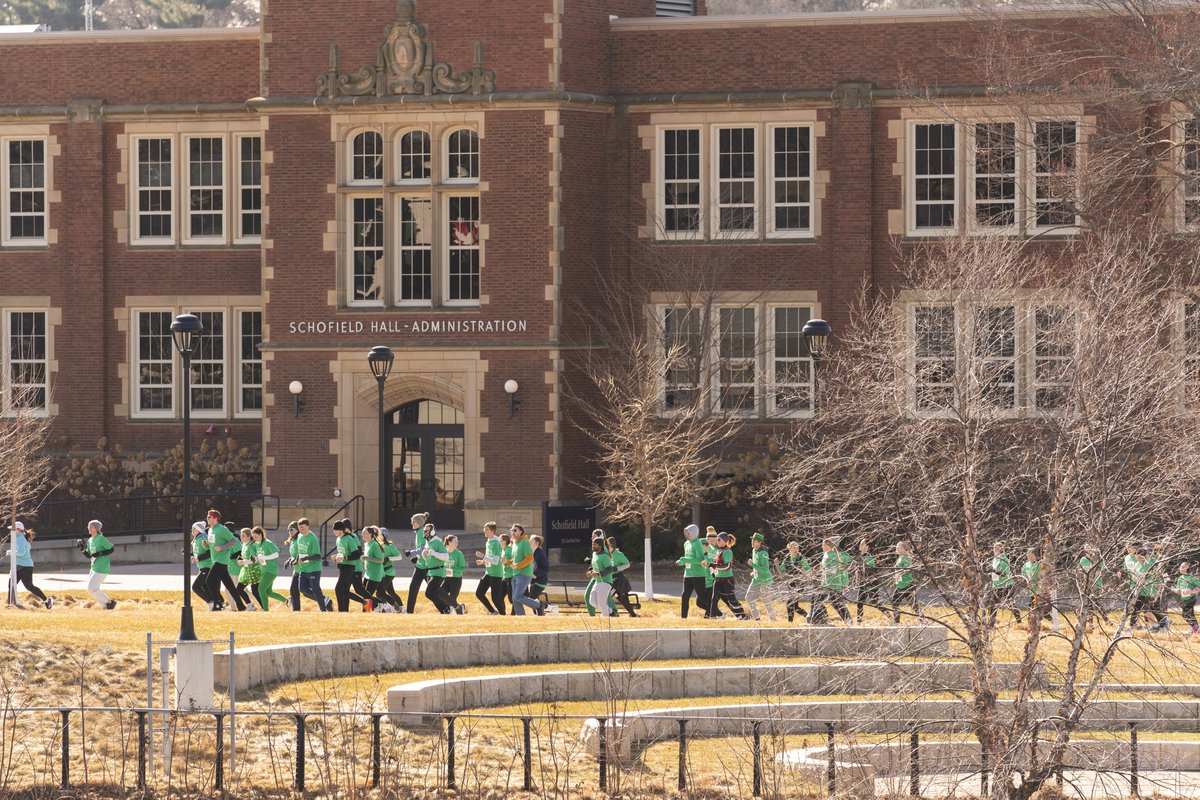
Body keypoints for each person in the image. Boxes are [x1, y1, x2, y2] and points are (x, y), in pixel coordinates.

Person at [204, 510, 246, 611]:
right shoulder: (210, 529)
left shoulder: (222, 529)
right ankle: (241, 606)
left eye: (210, 517)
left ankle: (218, 603)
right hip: (216, 560)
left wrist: (222, 547)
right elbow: (212, 545)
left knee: (209, 581)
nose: (207, 519)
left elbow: (234, 541)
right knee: (230, 586)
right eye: (207, 517)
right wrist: (206, 545)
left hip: (221, 560)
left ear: (216, 519)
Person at [705, 532, 749, 620]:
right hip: (718, 579)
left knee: (731, 599)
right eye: (717, 539)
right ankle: (712, 616)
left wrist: (714, 566)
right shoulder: (718, 551)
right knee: (714, 598)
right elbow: (717, 564)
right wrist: (710, 565)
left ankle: (742, 616)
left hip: (727, 580)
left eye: (719, 540)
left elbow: (727, 566)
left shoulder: (728, 551)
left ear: (725, 541)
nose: (717, 541)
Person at [506, 524, 545, 616]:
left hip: (524, 574)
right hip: (516, 574)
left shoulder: (524, 542)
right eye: (511, 530)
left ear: (520, 532)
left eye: (515, 530)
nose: (512, 532)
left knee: (517, 596)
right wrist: (507, 562)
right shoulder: (515, 544)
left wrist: (518, 566)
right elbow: (515, 560)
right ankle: (521, 616)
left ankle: (539, 606)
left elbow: (529, 558)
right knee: (515, 598)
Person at [9, 522, 51, 609]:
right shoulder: (18, 537)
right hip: (19, 565)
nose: (11, 531)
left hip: (25, 566)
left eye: (13, 529)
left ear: (19, 530)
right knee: (11, 584)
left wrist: (11, 552)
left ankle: (47, 600)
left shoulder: (19, 538)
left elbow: (21, 552)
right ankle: (10, 604)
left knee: (29, 586)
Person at [294, 517, 332, 611]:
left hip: (314, 569)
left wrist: (305, 558)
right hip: (304, 568)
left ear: (308, 526)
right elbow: (300, 551)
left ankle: (323, 609)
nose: (301, 530)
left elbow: (318, 556)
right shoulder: (299, 536)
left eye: (303, 527)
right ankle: (324, 599)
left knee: (315, 589)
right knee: (303, 589)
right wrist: (296, 559)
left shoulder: (313, 538)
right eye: (299, 528)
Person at [77, 519, 116, 609]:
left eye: (91, 526)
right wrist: (82, 549)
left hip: (102, 568)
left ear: (96, 528)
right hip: (94, 567)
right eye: (88, 526)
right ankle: (106, 608)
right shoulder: (90, 540)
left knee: (90, 589)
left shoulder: (101, 539)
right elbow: (89, 555)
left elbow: (111, 549)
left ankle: (109, 602)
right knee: (94, 590)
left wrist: (100, 553)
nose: (88, 528)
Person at [812, 538, 851, 625]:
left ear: (830, 546)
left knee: (833, 602)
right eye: (822, 545)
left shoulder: (833, 555)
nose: (823, 546)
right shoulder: (826, 554)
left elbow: (833, 570)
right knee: (828, 601)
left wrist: (823, 570)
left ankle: (847, 620)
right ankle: (822, 619)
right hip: (826, 582)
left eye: (825, 545)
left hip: (833, 583)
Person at [332, 520, 369, 612]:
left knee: (339, 589)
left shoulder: (350, 538)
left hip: (350, 567)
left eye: (335, 530)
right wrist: (336, 556)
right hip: (342, 567)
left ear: (341, 530)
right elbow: (343, 552)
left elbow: (357, 554)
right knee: (343, 590)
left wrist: (344, 558)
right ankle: (347, 609)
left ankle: (342, 610)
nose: (334, 532)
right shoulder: (338, 539)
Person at [251, 526, 288, 610]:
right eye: (253, 537)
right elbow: (260, 557)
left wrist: (264, 557)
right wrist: (255, 558)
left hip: (271, 570)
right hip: (264, 570)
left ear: (260, 534)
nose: (254, 538)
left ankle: (266, 610)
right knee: (268, 592)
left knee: (260, 589)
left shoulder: (267, 543)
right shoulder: (256, 544)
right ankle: (287, 601)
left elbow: (276, 554)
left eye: (255, 536)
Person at [677, 524, 709, 619]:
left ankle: (715, 612)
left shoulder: (698, 543)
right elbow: (688, 560)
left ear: (694, 533)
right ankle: (683, 618)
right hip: (688, 574)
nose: (687, 534)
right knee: (684, 596)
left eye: (689, 532)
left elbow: (700, 561)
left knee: (702, 598)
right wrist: (682, 562)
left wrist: (685, 559)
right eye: (686, 532)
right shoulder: (686, 543)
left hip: (698, 575)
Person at [421, 524, 455, 613]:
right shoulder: (428, 542)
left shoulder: (438, 542)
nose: (424, 532)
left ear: (432, 532)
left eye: (426, 531)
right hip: (431, 572)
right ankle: (445, 610)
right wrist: (424, 555)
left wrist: (434, 553)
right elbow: (429, 558)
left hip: (439, 572)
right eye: (424, 531)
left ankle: (447, 608)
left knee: (428, 593)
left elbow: (446, 557)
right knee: (434, 593)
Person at [474, 521, 506, 615]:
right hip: (488, 573)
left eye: (487, 529)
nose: (484, 530)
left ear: (492, 531)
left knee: (495, 598)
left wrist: (483, 556)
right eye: (484, 528)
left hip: (496, 574)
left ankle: (503, 615)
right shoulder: (488, 541)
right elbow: (490, 558)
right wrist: (483, 561)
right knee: (479, 593)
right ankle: (492, 611)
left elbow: (496, 561)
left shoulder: (496, 542)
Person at [745, 532, 777, 622]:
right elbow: (758, 567)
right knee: (748, 597)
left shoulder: (764, 553)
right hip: (756, 579)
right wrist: (754, 571)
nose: (752, 542)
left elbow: (765, 569)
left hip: (765, 580)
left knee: (766, 601)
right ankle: (757, 618)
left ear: (759, 542)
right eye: (752, 540)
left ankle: (773, 621)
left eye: (754, 541)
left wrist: (753, 565)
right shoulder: (754, 550)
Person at [989, 542, 1021, 625]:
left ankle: (1019, 622)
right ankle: (991, 624)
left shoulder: (1004, 559)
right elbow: (994, 573)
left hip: (1006, 585)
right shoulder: (995, 559)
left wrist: (992, 570)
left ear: (1001, 549)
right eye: (994, 548)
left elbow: (1003, 573)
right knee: (992, 604)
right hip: (996, 585)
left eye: (997, 549)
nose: (994, 550)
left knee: (1010, 604)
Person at [405, 514, 431, 614]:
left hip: (425, 567)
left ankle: (448, 607)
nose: (412, 523)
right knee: (413, 589)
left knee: (434, 591)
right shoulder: (418, 532)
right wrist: (416, 558)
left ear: (419, 522)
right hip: (419, 566)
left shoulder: (421, 532)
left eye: (414, 521)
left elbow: (423, 548)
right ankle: (409, 612)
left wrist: (411, 553)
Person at [778, 540, 810, 622]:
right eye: (793, 547)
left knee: (790, 603)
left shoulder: (801, 558)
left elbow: (808, 568)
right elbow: (782, 569)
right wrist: (780, 571)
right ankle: (808, 616)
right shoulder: (787, 558)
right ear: (790, 548)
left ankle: (790, 621)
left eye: (797, 547)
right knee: (794, 606)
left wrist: (806, 575)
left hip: (799, 583)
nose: (796, 549)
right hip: (790, 583)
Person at [607, 537, 638, 617]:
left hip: (619, 580)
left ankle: (632, 614)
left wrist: (617, 568)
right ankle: (632, 614)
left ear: (611, 545)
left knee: (620, 597)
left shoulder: (618, 554)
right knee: (617, 596)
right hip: (610, 579)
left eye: (607, 545)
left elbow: (627, 564)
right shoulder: (606, 555)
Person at [586, 534, 616, 617]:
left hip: (606, 582)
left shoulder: (604, 556)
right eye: (592, 544)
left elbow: (610, 569)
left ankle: (607, 620)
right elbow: (595, 567)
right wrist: (591, 572)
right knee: (592, 601)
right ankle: (611, 611)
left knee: (601, 603)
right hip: (598, 581)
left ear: (600, 546)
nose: (593, 546)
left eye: (594, 544)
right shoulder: (594, 554)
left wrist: (598, 574)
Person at [1079, 543, 1109, 621]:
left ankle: (1106, 620)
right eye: (1086, 548)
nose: (1088, 550)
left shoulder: (1097, 559)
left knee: (1097, 603)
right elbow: (1080, 570)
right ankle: (1091, 622)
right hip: (1087, 584)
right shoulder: (1082, 559)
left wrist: (1094, 571)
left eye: (1090, 548)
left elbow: (1101, 570)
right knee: (1089, 604)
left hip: (1097, 584)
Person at [855, 539, 883, 624]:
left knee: (875, 603)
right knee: (859, 603)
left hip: (870, 584)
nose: (860, 545)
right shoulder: (861, 556)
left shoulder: (869, 557)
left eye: (862, 544)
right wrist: (857, 577)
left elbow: (871, 571)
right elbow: (858, 570)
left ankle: (889, 616)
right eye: (860, 544)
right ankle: (859, 622)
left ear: (867, 547)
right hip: (862, 584)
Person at [892, 541, 919, 624]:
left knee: (896, 603)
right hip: (901, 585)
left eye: (899, 547)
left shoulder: (905, 558)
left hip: (906, 585)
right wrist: (896, 576)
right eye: (896, 547)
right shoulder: (900, 558)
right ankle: (922, 619)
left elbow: (909, 569)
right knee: (913, 605)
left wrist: (901, 572)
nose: (897, 548)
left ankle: (896, 622)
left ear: (904, 549)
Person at [234, 527, 261, 611]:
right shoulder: (244, 545)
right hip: (246, 571)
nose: (241, 538)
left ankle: (264, 607)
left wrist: (243, 561)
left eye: (243, 536)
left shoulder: (252, 545)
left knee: (255, 591)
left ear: (249, 536)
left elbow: (255, 559)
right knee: (239, 589)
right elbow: (244, 556)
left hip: (254, 570)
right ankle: (250, 605)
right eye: (241, 536)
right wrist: (240, 558)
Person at [379, 529, 406, 611]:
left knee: (380, 593)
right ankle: (401, 607)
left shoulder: (390, 546)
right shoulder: (376, 545)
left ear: (384, 536)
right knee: (391, 592)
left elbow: (399, 556)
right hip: (381, 573)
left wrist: (389, 558)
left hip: (388, 573)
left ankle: (385, 609)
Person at [702, 528, 723, 619]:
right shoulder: (708, 548)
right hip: (706, 579)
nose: (711, 542)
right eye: (708, 540)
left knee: (711, 600)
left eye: (713, 539)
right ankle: (718, 613)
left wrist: (707, 557)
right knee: (700, 602)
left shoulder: (719, 550)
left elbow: (713, 563)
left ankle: (710, 615)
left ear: (717, 539)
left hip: (715, 579)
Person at [1174, 561, 1200, 635]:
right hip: (1184, 599)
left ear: (1187, 568)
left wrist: (1191, 591)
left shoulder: (1192, 578)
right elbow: (1178, 590)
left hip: (1192, 598)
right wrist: (1176, 590)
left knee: (1185, 613)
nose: (1180, 568)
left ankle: (1195, 627)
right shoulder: (1180, 578)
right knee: (1190, 614)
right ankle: (1196, 629)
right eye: (1180, 567)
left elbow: (1199, 587)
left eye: (1183, 567)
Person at [444, 534, 467, 614]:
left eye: (457, 541)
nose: (457, 543)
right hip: (446, 579)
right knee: (442, 595)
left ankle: (454, 610)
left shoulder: (459, 554)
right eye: (455, 541)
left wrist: (452, 569)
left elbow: (462, 567)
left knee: (452, 598)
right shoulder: (444, 552)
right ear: (449, 542)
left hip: (456, 579)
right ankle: (459, 607)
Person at [283, 521, 302, 610]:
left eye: (292, 530)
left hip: (303, 569)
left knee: (307, 591)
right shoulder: (293, 540)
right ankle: (296, 609)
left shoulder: (299, 539)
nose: (290, 532)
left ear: (297, 530)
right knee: (293, 590)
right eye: (288, 530)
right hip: (296, 569)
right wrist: (289, 559)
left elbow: (301, 552)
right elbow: (294, 555)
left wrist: (295, 559)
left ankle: (325, 600)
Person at [529, 534, 550, 604]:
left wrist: (535, 574)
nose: (529, 542)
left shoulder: (541, 554)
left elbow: (546, 568)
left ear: (536, 543)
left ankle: (550, 607)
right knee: (534, 600)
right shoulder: (531, 553)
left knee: (532, 598)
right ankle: (539, 614)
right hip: (533, 581)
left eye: (531, 541)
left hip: (540, 581)